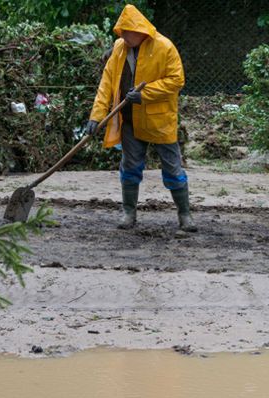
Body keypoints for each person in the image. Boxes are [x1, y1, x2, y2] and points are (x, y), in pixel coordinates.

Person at [86, 5, 196, 232]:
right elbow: (106, 85)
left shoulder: (164, 47)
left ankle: (185, 216)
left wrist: (144, 94)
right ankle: (129, 213)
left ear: (139, 30)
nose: (123, 36)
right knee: (130, 166)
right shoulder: (119, 49)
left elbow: (176, 80)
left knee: (173, 168)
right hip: (129, 120)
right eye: (121, 32)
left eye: (127, 32)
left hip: (159, 120)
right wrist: (96, 116)